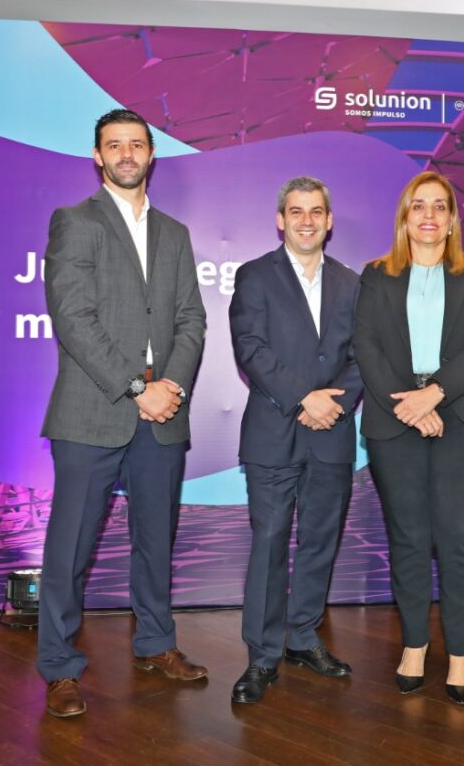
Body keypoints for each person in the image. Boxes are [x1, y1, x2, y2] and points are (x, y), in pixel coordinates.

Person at [37, 108, 208, 718]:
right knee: (71, 548)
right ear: (98, 156)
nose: (127, 154)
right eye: (115, 145)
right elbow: (74, 320)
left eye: (136, 144)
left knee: (156, 541)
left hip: (162, 415)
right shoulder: (75, 222)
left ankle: (156, 644)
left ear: (152, 154)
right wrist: (140, 387)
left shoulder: (175, 233)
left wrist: (170, 387)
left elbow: (191, 318)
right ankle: (59, 667)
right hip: (93, 412)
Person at [354, 171, 464, 705]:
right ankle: (414, 645)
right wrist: (414, 407)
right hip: (395, 417)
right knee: (409, 537)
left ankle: (461, 652)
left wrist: (434, 395)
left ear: (452, 219)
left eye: (440, 206)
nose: (429, 215)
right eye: (419, 205)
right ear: (404, 216)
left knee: (459, 537)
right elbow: (367, 347)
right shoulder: (376, 275)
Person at [227, 177, 363, 704]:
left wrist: (334, 404)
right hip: (273, 433)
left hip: (332, 434)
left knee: (319, 540)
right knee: (269, 543)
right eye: (296, 211)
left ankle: (303, 638)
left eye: (316, 212)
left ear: (330, 221)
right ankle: (261, 657)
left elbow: (363, 356)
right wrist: (305, 397)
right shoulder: (255, 275)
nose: (307, 220)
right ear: (280, 220)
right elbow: (250, 348)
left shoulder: (352, 283)